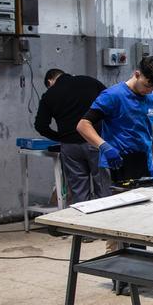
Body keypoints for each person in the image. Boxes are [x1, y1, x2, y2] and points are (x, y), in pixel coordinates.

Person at [76, 55, 153, 185]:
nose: (149, 91)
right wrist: (104, 147)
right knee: (116, 203)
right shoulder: (113, 96)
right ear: (137, 74)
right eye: (147, 85)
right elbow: (83, 125)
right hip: (116, 163)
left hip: (145, 164)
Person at [34, 68, 107, 204]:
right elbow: (111, 101)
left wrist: (60, 137)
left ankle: (82, 224)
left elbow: (40, 125)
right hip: (95, 141)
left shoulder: (49, 95)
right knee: (103, 188)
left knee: (79, 192)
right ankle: (104, 223)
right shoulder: (89, 81)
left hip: (70, 147)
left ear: (50, 81)